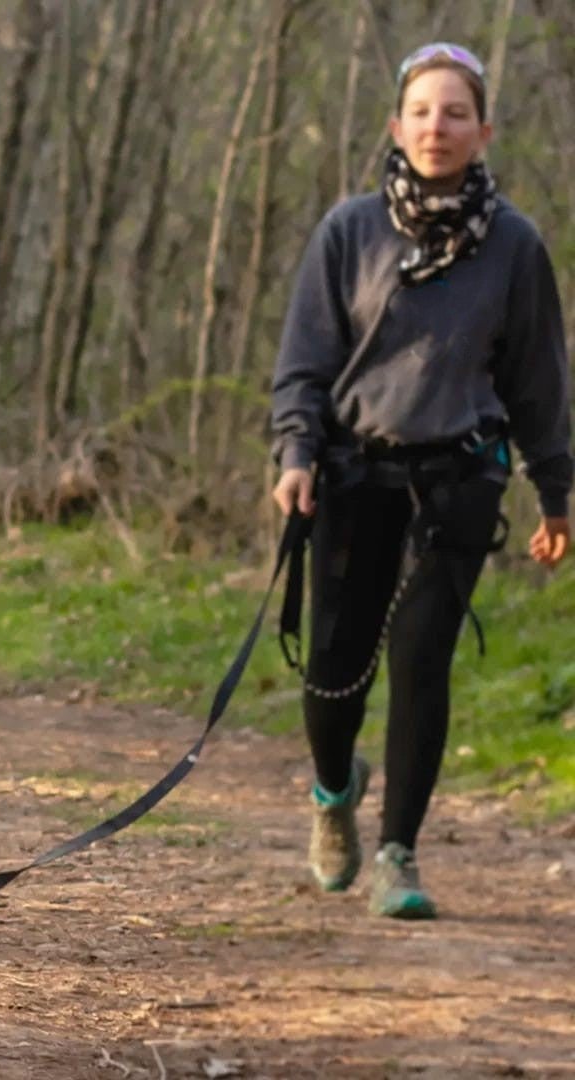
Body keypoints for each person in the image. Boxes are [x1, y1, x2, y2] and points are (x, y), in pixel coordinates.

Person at [269, 42, 572, 919]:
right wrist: (294, 456)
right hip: (350, 475)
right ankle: (335, 792)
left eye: (455, 113)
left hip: (459, 482)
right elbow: (303, 365)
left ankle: (398, 854)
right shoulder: (349, 230)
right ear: (396, 127)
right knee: (332, 675)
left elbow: (539, 384)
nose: (437, 128)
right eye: (422, 112)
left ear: (484, 131)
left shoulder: (515, 246)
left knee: (421, 662)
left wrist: (556, 493)